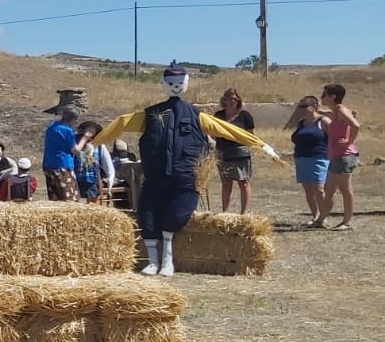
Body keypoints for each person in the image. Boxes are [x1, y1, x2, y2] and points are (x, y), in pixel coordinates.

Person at [94, 60, 280, 275]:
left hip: (185, 178)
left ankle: (168, 260)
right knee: (148, 216)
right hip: (155, 178)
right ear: (164, 83)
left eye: (179, 81)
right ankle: (153, 261)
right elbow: (121, 123)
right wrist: (92, 145)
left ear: (186, 82)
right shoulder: (151, 115)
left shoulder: (196, 116)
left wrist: (262, 145)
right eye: (171, 81)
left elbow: (230, 131)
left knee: (176, 216)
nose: (175, 85)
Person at [313, 83, 361, 230]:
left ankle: (347, 222)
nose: (322, 97)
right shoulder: (335, 112)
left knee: (346, 190)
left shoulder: (340, 109)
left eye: (324, 94)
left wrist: (348, 141)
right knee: (329, 190)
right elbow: (324, 113)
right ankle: (321, 219)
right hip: (336, 157)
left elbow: (356, 126)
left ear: (332, 96)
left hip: (344, 156)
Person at [212, 88, 256, 214]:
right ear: (223, 100)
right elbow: (214, 133)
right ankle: (225, 212)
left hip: (240, 154)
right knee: (226, 183)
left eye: (233, 98)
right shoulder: (219, 115)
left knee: (244, 183)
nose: (231, 101)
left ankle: (244, 213)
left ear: (238, 100)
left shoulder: (245, 116)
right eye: (228, 98)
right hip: (223, 153)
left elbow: (251, 135)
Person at [288, 96, 330, 222]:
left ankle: (324, 216)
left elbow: (334, 137)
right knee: (308, 189)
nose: (301, 109)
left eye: (304, 106)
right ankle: (315, 215)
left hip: (319, 158)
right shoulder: (302, 122)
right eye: (299, 106)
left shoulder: (323, 121)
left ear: (314, 107)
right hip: (302, 158)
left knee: (319, 189)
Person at [42, 107, 80, 201]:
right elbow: (75, 150)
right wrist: (85, 139)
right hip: (63, 164)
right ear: (73, 119)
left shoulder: (52, 126)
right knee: (68, 196)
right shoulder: (68, 131)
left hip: (49, 164)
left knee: (55, 196)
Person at [73, 121, 116, 204]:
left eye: (93, 133)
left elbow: (107, 164)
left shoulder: (99, 146)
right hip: (75, 180)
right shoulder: (74, 145)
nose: (90, 136)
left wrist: (110, 178)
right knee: (75, 204)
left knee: (93, 205)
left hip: (92, 180)